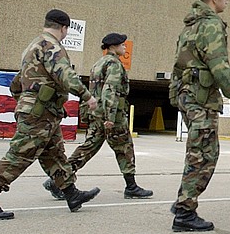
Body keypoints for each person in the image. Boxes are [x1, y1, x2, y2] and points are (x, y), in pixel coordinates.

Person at [0, 9, 101, 220]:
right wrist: (87, 96)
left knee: (55, 155)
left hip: (43, 111)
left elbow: (17, 83)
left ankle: (71, 194)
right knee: (20, 154)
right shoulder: (51, 46)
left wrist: (25, 101)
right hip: (40, 112)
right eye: (66, 29)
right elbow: (65, 75)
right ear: (64, 28)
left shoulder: (33, 46)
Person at [169, 0, 230, 232]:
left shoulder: (189, 26)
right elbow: (219, 65)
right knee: (204, 155)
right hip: (201, 99)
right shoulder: (211, 24)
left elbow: (177, 65)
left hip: (188, 95)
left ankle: (183, 200)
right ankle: (184, 212)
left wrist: (174, 94)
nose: (227, 2)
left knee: (199, 152)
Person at [43, 33, 152, 201]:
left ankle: (57, 180)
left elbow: (94, 92)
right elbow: (110, 91)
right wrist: (110, 116)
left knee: (87, 149)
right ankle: (131, 187)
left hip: (96, 115)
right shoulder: (114, 64)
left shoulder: (97, 64)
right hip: (111, 117)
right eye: (122, 45)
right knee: (125, 149)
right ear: (113, 47)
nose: (125, 47)